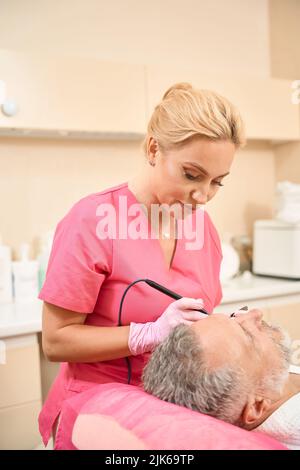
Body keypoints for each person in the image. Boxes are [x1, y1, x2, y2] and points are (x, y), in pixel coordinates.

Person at [38, 82, 245, 447]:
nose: (203, 196)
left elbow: (195, 317)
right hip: (97, 402)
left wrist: (225, 329)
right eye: (191, 175)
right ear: (153, 149)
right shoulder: (93, 219)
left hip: (172, 401)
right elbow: (56, 341)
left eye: (217, 183)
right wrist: (146, 334)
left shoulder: (202, 228)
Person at [142, 309, 300, 450]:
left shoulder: (271, 376)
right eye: (248, 335)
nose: (256, 313)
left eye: (232, 317)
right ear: (256, 406)